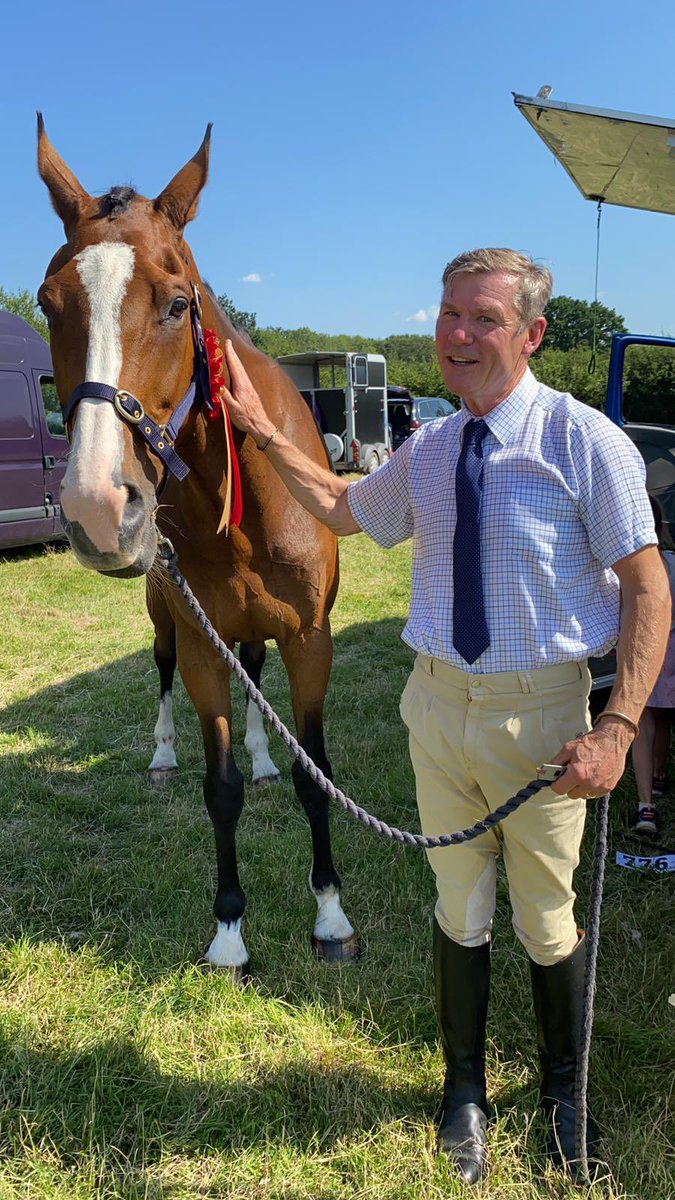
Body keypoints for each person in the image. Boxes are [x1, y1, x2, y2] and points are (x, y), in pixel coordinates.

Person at [222, 248, 670, 1185]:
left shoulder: (585, 442)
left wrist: (619, 725)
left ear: (531, 334)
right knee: (456, 910)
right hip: (434, 706)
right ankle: (461, 1089)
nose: (457, 335)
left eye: (483, 319)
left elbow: (646, 588)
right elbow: (345, 510)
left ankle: (560, 1095)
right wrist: (262, 433)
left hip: (544, 719)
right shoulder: (428, 448)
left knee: (546, 924)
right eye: (447, 313)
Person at [631, 496, 675, 833]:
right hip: (670, 647)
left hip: (635, 648)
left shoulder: (623, 568)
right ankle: (660, 774)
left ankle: (646, 806)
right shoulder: (672, 562)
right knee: (663, 718)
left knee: (641, 723)